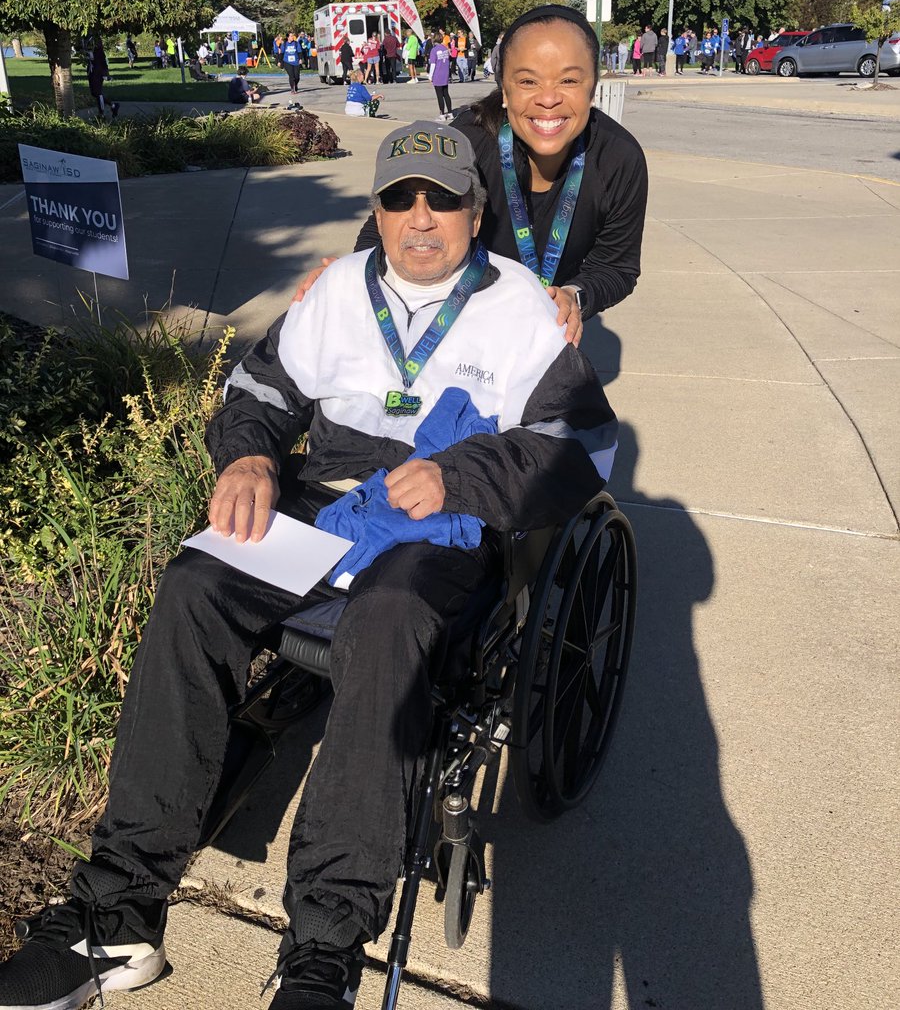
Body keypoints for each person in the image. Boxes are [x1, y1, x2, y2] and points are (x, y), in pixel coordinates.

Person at [0, 120, 617, 1010]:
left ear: (476, 215)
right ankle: (118, 913)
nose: (420, 217)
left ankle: (323, 947)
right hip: (322, 498)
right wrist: (248, 453)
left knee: (386, 622)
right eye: (400, 197)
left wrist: (460, 474)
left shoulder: (519, 308)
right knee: (194, 586)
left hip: (439, 520)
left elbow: (580, 447)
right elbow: (257, 388)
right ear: (377, 209)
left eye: (443, 199)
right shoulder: (336, 290)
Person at [297, 6, 647, 350]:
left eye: (569, 80)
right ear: (505, 92)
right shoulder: (466, 142)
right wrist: (351, 277)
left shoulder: (620, 159)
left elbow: (616, 266)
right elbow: (392, 217)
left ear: (593, 87)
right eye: (527, 81)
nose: (548, 99)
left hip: (544, 333)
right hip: (454, 325)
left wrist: (575, 296)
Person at [87, 41, 120, 120]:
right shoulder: (92, 49)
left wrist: (105, 75)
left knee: (98, 93)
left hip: (98, 74)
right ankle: (113, 106)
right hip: (92, 73)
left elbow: (104, 63)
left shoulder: (99, 52)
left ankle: (101, 114)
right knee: (94, 93)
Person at [428, 31, 452, 120]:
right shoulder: (445, 48)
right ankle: (450, 113)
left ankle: (442, 114)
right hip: (445, 73)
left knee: (439, 95)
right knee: (446, 94)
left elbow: (433, 64)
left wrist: (430, 76)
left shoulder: (434, 50)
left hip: (437, 75)